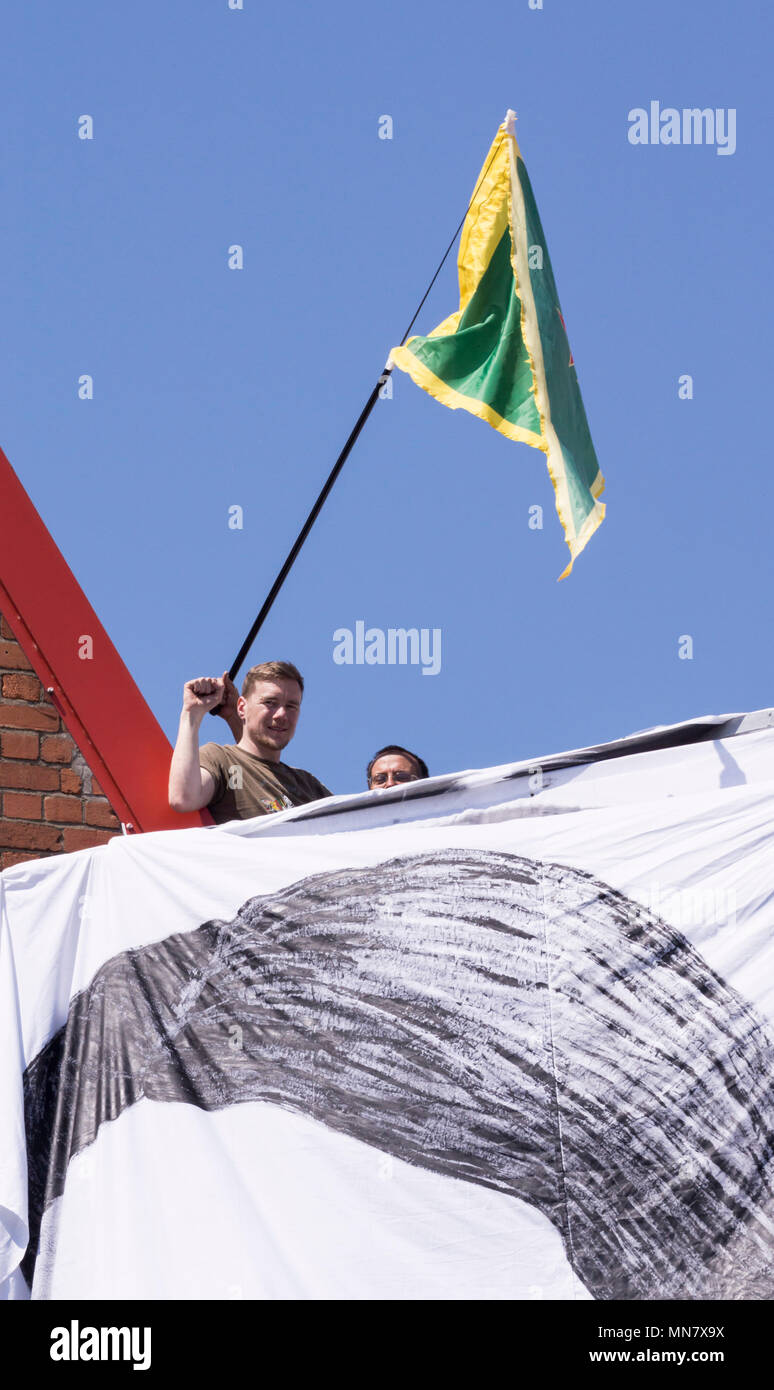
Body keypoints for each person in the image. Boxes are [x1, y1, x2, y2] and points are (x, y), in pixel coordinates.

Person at [169, 660, 331, 824]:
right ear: (241, 707)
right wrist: (192, 713)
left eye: (291, 706)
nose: (282, 714)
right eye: (270, 703)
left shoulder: (309, 786)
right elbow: (184, 798)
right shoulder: (225, 763)